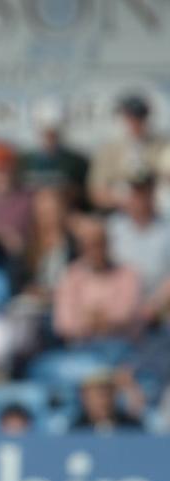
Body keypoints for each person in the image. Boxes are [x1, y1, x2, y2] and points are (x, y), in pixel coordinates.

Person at [53, 215, 141, 344]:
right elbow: (63, 323)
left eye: (99, 243)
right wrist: (90, 321)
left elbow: (125, 315)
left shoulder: (127, 274)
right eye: (88, 245)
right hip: (80, 347)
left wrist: (91, 318)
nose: (94, 250)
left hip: (118, 346)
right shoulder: (72, 275)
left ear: (108, 244)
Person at [89, 94, 167, 211]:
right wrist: (127, 201)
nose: (135, 122)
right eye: (130, 117)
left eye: (140, 117)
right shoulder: (109, 150)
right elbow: (97, 193)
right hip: (120, 212)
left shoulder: (161, 146)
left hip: (156, 211)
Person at [106, 171, 170, 300]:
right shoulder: (113, 227)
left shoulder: (166, 228)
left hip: (159, 307)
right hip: (118, 304)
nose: (140, 199)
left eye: (145, 193)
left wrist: (155, 306)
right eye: (136, 193)